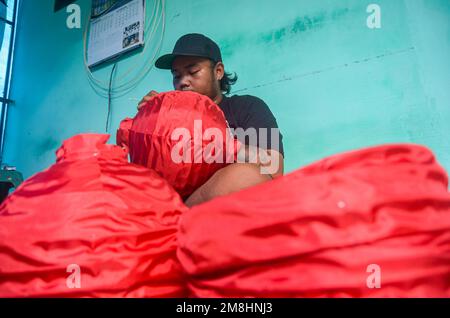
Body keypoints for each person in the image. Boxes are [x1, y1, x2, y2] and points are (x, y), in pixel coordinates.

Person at [137, 33, 285, 206]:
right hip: (173, 208)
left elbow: (274, 168)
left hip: (223, 206)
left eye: (193, 71)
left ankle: (183, 217)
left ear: (218, 71)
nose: (183, 82)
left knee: (245, 176)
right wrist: (146, 124)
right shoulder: (169, 119)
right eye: (177, 75)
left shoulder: (247, 107)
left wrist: (219, 146)